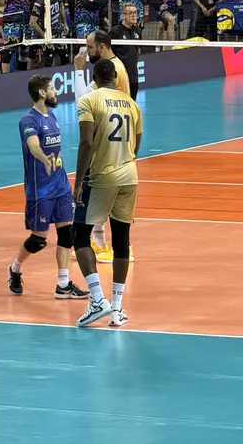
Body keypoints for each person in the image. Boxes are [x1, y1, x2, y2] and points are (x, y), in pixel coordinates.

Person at [73, 58, 143, 328]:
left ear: (94, 78)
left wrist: (79, 181)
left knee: (79, 236)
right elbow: (136, 145)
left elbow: (86, 142)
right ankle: (116, 309)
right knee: (122, 239)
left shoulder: (89, 100)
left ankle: (96, 299)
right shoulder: (132, 104)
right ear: (115, 77)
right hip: (130, 176)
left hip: (101, 176)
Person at [8, 75, 89, 299]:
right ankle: (15, 268)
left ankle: (63, 284)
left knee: (67, 233)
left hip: (60, 185)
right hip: (40, 189)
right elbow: (33, 144)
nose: (55, 92)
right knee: (39, 240)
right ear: (42, 93)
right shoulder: (28, 120)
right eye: (52, 88)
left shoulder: (52, 117)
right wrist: (43, 158)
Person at [73, 30, 132, 264]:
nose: (87, 51)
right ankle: (103, 242)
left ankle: (109, 245)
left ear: (102, 47)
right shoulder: (112, 67)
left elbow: (83, 100)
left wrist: (78, 71)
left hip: (106, 144)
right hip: (118, 143)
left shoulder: (111, 70)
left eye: (89, 47)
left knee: (97, 194)